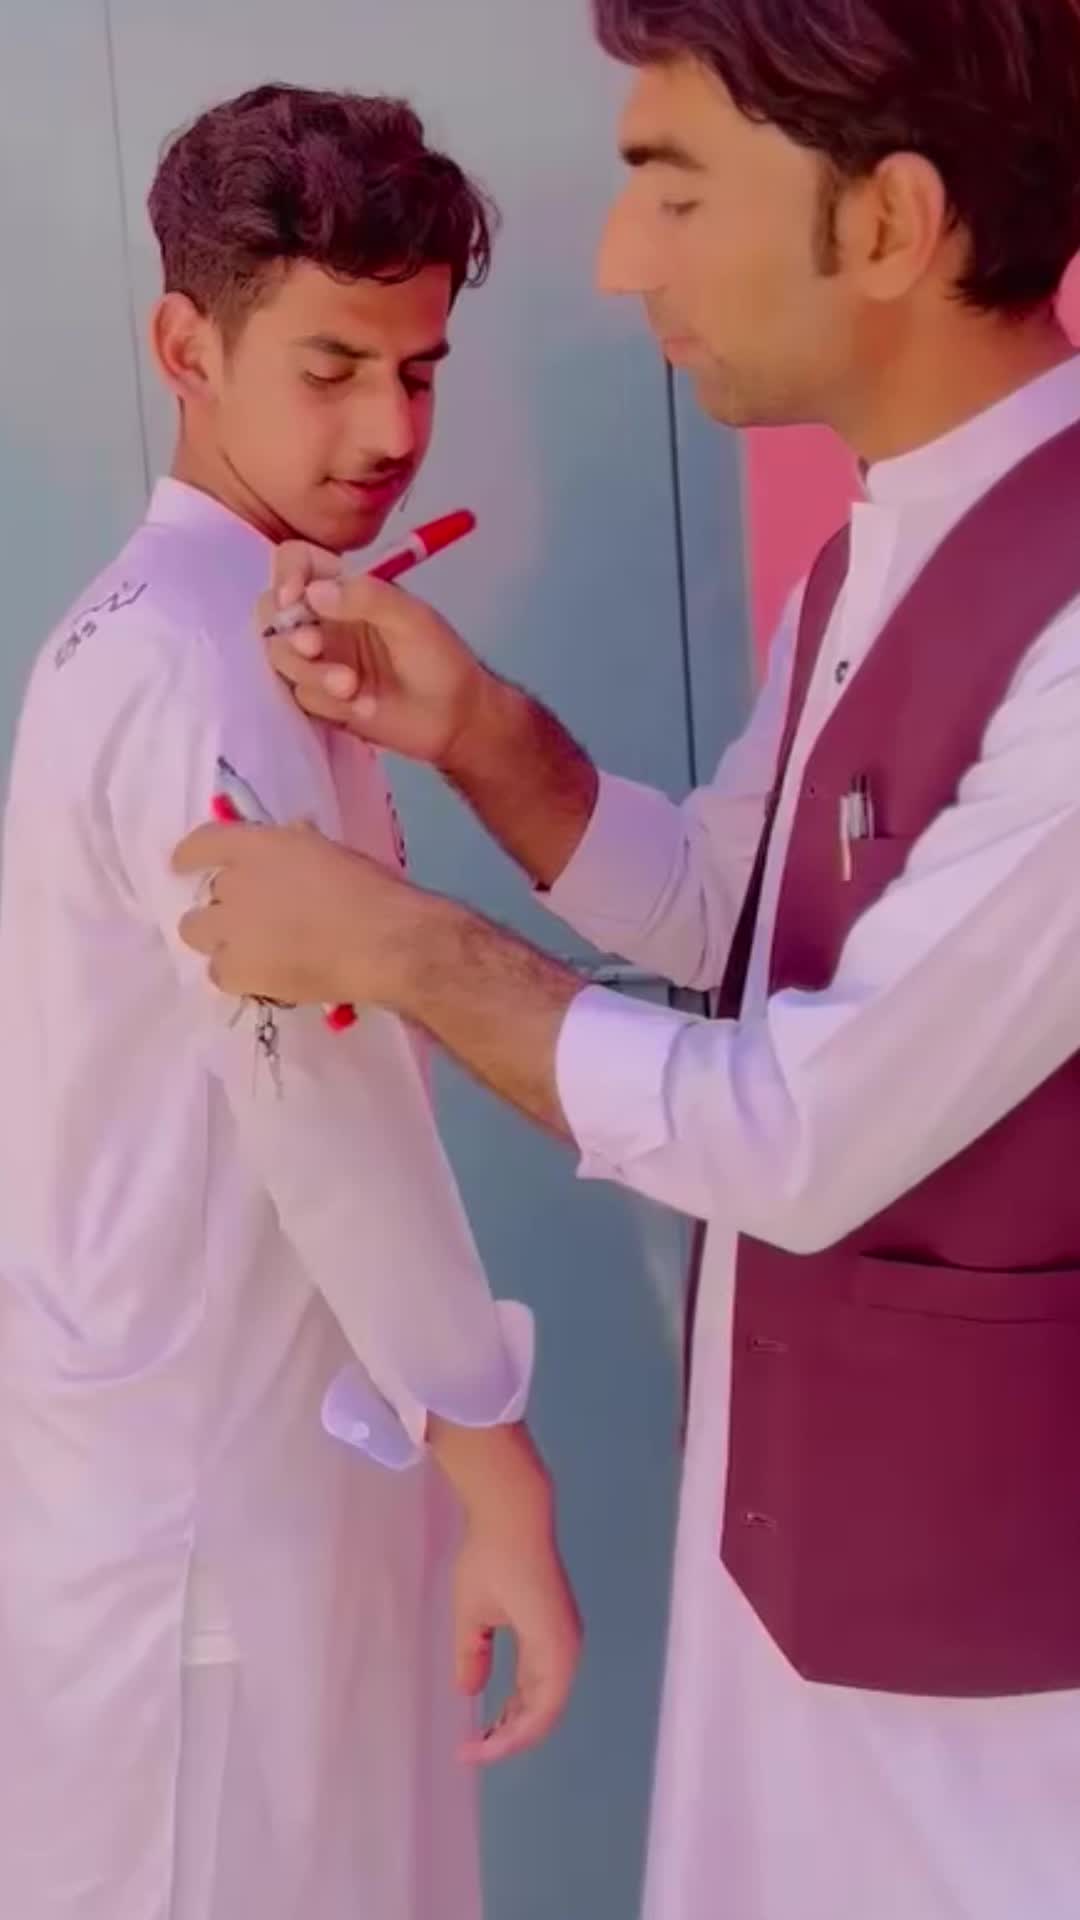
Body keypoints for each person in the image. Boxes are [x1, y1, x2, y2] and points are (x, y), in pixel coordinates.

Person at [176, 6, 1080, 1919]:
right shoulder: (882, 549)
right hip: (810, 1581)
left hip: (999, 1704)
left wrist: (404, 948)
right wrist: (480, 733)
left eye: (670, 189)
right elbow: (732, 908)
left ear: (888, 224)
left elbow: (793, 1128)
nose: (616, 258)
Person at [0, 84, 580, 1920]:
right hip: (199, 1530)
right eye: (332, 369)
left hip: (238, 1477)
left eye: (418, 371)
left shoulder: (236, 627)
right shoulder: (190, 667)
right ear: (187, 349)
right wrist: (500, 1471)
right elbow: (322, 1108)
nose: (390, 428)